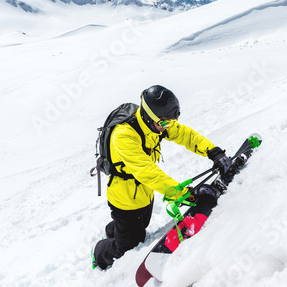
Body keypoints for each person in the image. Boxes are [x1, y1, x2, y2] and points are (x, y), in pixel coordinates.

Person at [92, 85, 231, 270]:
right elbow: (148, 172)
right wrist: (184, 194)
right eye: (165, 123)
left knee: (139, 228)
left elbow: (185, 135)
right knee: (127, 248)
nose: (168, 126)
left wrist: (213, 151)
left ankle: (115, 230)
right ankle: (99, 253)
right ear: (149, 117)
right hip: (124, 199)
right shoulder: (124, 135)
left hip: (144, 193)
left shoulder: (157, 123)